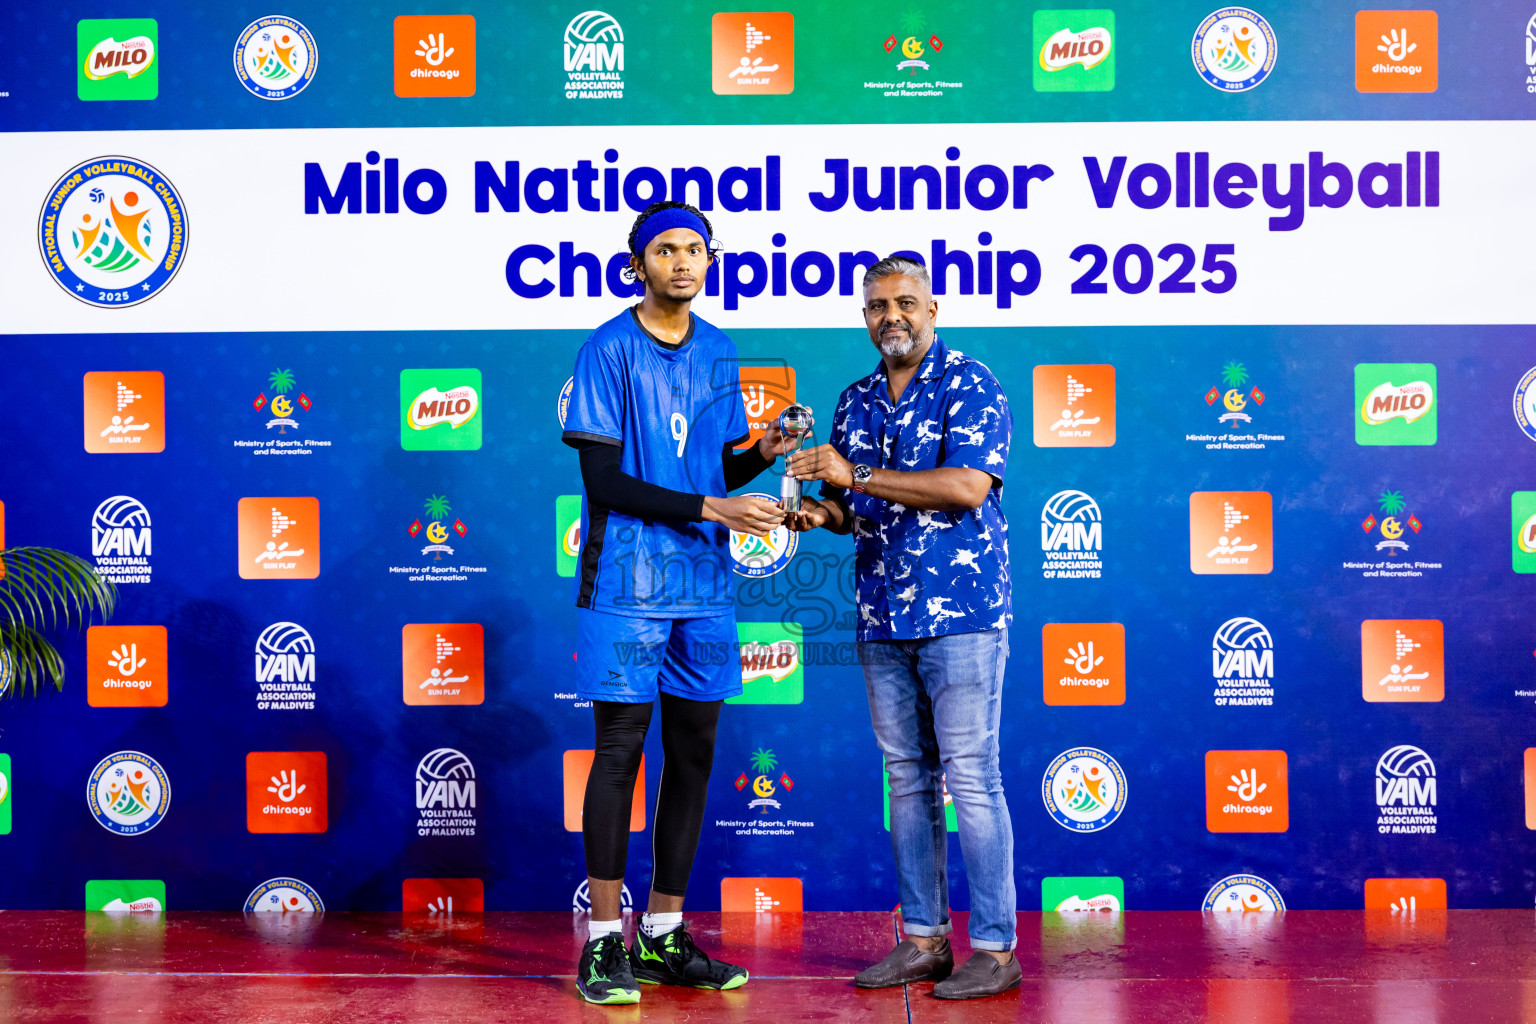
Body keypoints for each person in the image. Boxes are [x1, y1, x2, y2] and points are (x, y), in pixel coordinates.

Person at [561, 200, 788, 1005]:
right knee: (621, 751)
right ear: (637, 265)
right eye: (666, 250)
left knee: (693, 755)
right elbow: (604, 483)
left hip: (703, 586)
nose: (684, 262)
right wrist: (714, 509)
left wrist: (761, 452)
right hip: (624, 582)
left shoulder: (719, 350)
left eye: (696, 249)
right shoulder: (606, 349)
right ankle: (599, 944)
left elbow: (715, 472)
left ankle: (661, 936)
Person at [786, 254, 1020, 999]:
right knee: (907, 783)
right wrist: (816, 513)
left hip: (962, 619)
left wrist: (855, 480)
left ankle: (996, 949)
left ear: (934, 308)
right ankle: (923, 940)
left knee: (973, 781)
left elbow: (965, 486)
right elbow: (854, 510)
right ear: (864, 317)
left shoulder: (971, 382)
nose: (894, 316)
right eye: (879, 305)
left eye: (907, 302)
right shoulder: (854, 401)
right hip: (882, 615)